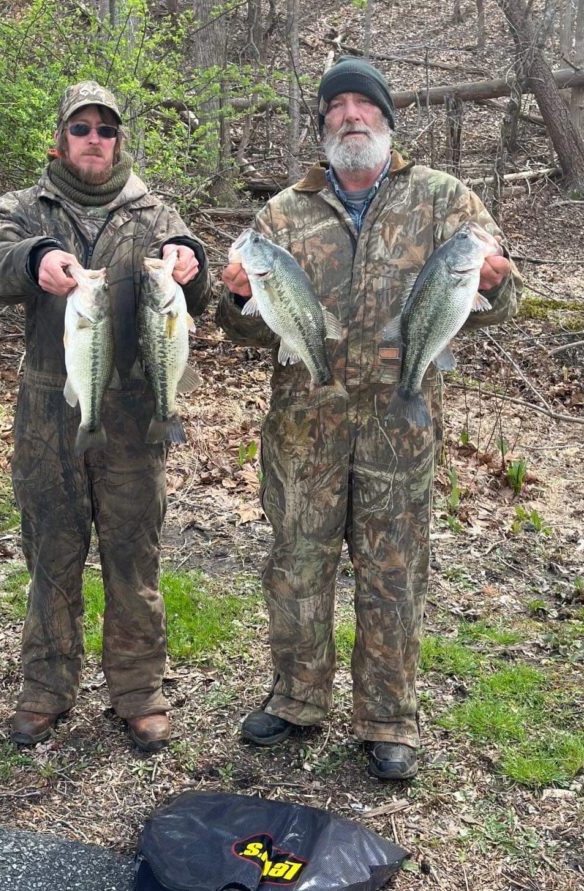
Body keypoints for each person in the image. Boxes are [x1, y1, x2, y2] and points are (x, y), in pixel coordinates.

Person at [217, 57, 522, 779]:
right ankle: (297, 698)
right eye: (337, 106)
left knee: (394, 572)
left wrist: (496, 285)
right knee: (297, 565)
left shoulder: (444, 200)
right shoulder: (282, 213)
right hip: (303, 431)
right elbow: (244, 329)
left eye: (365, 105)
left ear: (387, 120)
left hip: (400, 427)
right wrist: (236, 300)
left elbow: (500, 301)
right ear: (322, 124)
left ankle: (388, 718)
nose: (351, 116)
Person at [0, 80, 210, 752]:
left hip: (137, 418)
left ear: (120, 139)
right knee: (52, 553)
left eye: (106, 129)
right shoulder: (24, 208)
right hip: (50, 412)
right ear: (59, 140)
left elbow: (197, 294)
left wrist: (191, 261)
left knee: (135, 557)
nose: (95, 140)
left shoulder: (156, 213)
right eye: (81, 128)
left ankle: (139, 691)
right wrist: (35, 258)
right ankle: (46, 688)